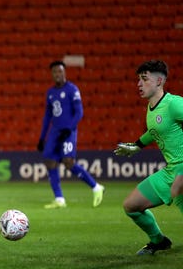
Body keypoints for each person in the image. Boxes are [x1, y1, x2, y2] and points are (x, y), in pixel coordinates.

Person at [114, 59, 183, 255]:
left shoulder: (174, 104)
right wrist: (137, 145)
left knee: (178, 189)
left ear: (159, 81)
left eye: (144, 79)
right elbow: (154, 131)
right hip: (171, 170)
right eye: (138, 79)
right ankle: (158, 240)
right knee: (131, 206)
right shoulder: (152, 109)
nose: (139, 84)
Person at [37, 60, 104, 208]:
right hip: (54, 132)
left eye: (60, 71)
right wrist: (42, 137)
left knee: (68, 162)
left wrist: (69, 127)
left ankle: (96, 187)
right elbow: (47, 116)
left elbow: (79, 112)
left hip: (68, 131)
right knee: (50, 161)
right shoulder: (50, 93)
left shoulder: (72, 89)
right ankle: (59, 199)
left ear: (64, 73)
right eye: (55, 72)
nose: (58, 74)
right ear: (52, 74)